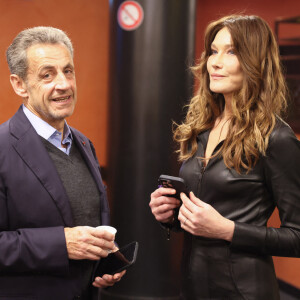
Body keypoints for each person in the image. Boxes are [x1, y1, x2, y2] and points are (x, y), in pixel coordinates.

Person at [150, 15, 300, 300]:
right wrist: (170, 215)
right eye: (213, 51)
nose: (214, 63)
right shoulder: (202, 127)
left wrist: (228, 230)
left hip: (245, 292)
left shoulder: (277, 138)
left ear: (255, 62)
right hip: (192, 288)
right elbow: (205, 214)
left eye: (231, 52)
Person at [0, 26, 125, 300]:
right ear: (19, 84)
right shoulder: (2, 147)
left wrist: (105, 261)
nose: (64, 84)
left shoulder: (83, 143)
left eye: (68, 71)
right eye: (47, 74)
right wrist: (61, 244)